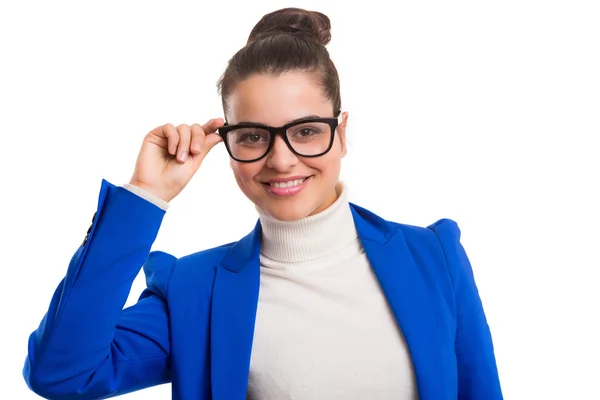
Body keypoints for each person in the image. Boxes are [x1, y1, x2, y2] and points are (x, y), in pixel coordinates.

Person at [22, 7, 503, 400]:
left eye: (307, 131)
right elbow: (63, 374)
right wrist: (145, 196)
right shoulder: (194, 289)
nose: (282, 160)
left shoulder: (434, 258)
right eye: (253, 137)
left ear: (341, 132)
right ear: (226, 142)